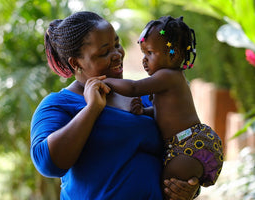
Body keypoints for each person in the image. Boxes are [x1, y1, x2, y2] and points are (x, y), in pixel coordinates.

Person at [30, 11, 200, 200]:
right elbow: (48, 164)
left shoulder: (144, 96)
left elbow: (182, 142)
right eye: (104, 52)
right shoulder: (58, 105)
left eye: (117, 45)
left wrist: (186, 186)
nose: (117, 54)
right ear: (75, 62)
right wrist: (92, 109)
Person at [103, 16, 224, 198]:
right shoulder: (170, 80)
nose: (144, 60)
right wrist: (144, 112)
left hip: (187, 144)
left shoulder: (167, 76)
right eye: (143, 53)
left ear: (173, 55)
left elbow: (134, 88)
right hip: (190, 142)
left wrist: (105, 81)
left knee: (167, 191)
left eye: (150, 53)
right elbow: (165, 113)